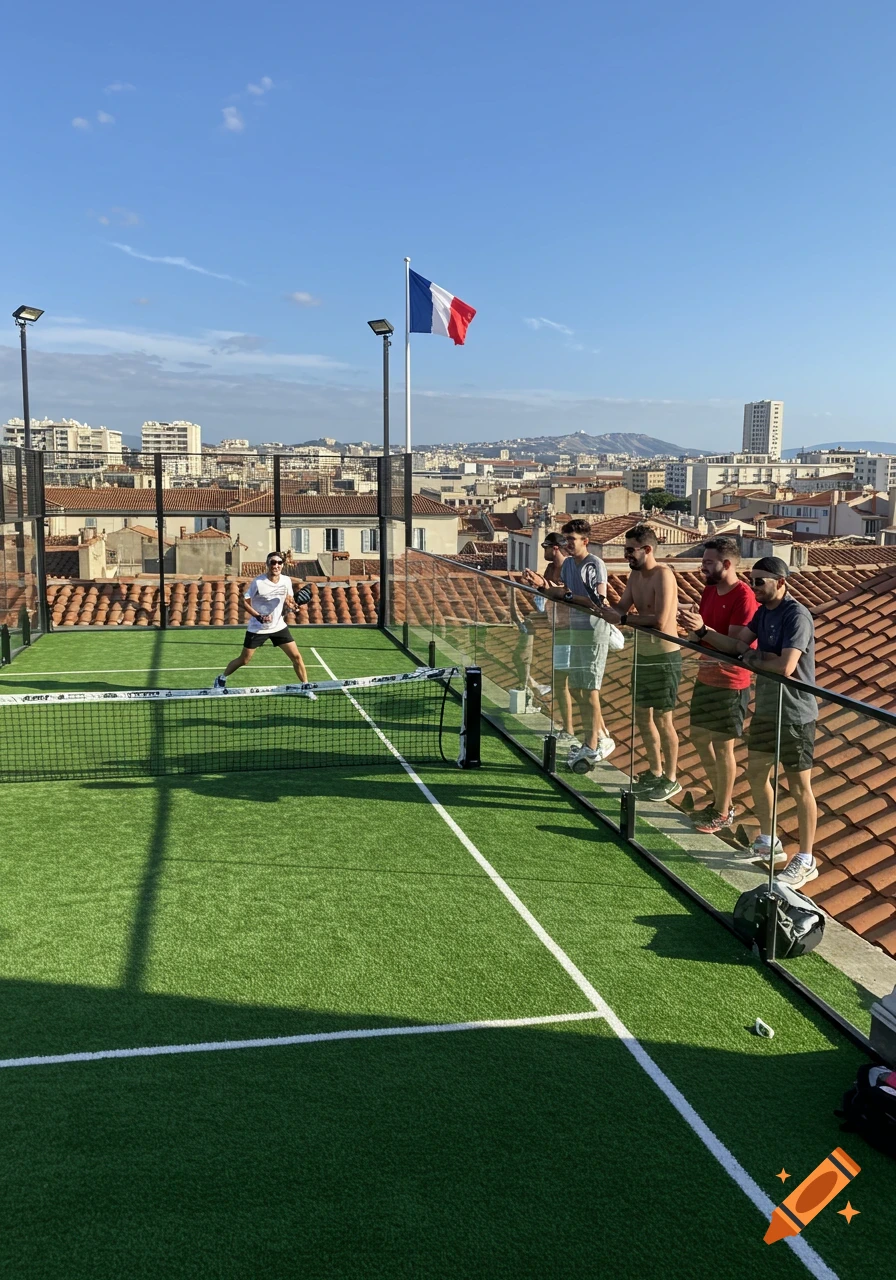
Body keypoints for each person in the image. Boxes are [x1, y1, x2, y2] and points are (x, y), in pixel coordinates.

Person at [689, 555, 818, 889]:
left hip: (795, 714)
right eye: (752, 579)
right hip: (767, 709)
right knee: (757, 773)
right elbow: (737, 645)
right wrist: (703, 632)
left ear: (781, 582)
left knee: (799, 785)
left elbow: (786, 666)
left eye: (760, 581)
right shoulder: (764, 613)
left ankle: (805, 858)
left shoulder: (796, 615)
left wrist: (751, 657)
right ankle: (768, 840)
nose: (754, 585)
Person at [677, 537, 757, 833]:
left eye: (708, 563)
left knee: (724, 748)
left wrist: (700, 630)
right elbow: (704, 634)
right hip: (706, 675)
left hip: (731, 682)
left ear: (726, 564)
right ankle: (719, 798)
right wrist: (692, 631)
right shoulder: (710, 589)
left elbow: (736, 646)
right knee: (698, 737)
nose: (702, 568)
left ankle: (723, 810)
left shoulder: (744, 597)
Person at [523, 518, 615, 773]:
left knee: (590, 690)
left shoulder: (594, 564)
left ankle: (594, 743)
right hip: (575, 632)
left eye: (571, 540)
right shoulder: (568, 567)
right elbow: (563, 592)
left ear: (585, 541)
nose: (567, 545)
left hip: (594, 634)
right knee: (577, 688)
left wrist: (565, 595)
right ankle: (595, 738)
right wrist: (543, 586)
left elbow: (598, 601)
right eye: (565, 540)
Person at [599, 523, 681, 801]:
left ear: (647, 549)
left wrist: (621, 619)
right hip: (643, 656)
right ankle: (655, 771)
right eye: (625, 551)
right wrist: (602, 608)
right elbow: (622, 608)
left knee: (663, 719)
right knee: (643, 717)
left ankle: (671, 778)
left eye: (630, 551)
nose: (627, 556)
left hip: (664, 657)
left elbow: (660, 620)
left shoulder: (663, 575)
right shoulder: (635, 577)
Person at [213, 551, 315, 693]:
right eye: (273, 562)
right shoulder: (258, 582)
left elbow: (289, 599)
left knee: (296, 657)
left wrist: (293, 605)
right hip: (258, 628)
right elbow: (244, 602)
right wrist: (258, 616)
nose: (276, 565)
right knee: (244, 660)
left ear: (282, 565)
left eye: (279, 563)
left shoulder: (286, 580)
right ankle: (221, 678)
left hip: (278, 627)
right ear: (268, 565)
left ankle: (305, 686)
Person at [508, 532, 566, 708]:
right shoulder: (550, 568)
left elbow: (564, 593)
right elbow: (545, 591)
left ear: (555, 548)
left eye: (545, 547)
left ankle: (535, 688)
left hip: (561, 621)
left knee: (523, 656)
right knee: (518, 656)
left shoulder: (567, 567)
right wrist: (534, 581)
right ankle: (533, 686)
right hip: (546, 616)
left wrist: (541, 584)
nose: (544, 551)